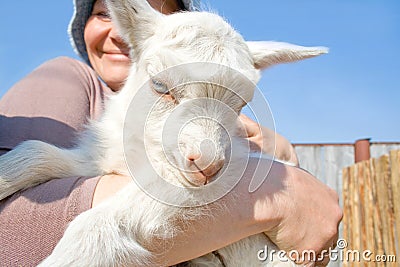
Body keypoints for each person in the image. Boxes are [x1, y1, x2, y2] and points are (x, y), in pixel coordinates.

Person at [0, 0, 342, 266]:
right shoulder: (71, 78)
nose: (119, 34)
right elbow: (14, 228)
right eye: (104, 13)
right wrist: (274, 189)